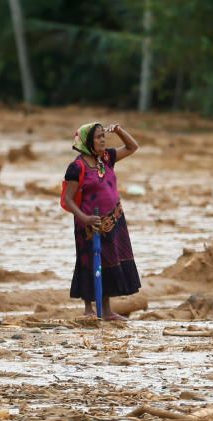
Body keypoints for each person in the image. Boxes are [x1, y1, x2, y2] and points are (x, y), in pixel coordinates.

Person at [62, 122, 141, 320]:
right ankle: (89, 309)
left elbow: (133, 147)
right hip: (90, 224)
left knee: (108, 262)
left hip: (114, 222)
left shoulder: (106, 159)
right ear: (87, 142)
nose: (103, 140)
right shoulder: (76, 167)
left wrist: (119, 130)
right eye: (98, 137)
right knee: (89, 261)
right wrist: (85, 219)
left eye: (103, 136)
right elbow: (67, 199)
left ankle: (106, 311)